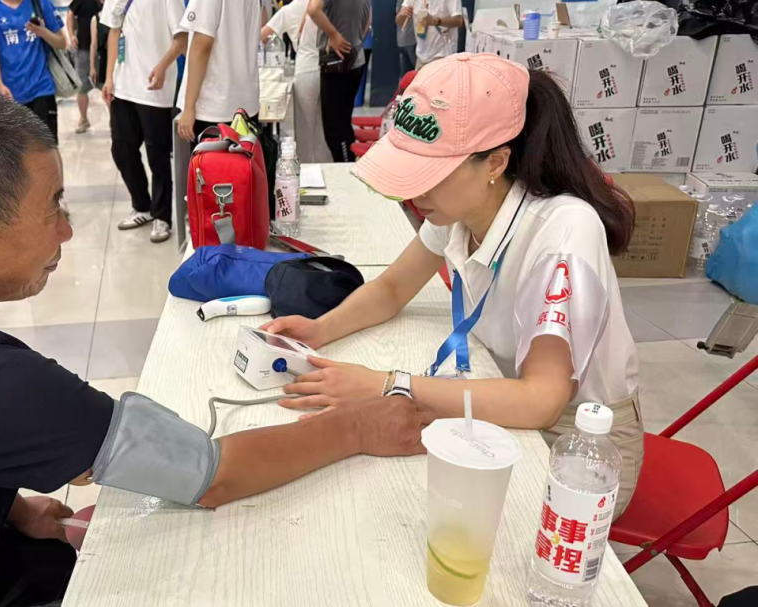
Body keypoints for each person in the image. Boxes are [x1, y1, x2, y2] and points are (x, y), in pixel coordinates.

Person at [0, 84, 434, 607]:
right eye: (52, 208)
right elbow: (210, 473)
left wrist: (9, 507)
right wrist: (357, 426)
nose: (67, 231)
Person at [262, 54, 644, 518]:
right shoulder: (460, 208)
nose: (414, 193)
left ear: (495, 162)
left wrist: (388, 385)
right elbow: (391, 290)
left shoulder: (563, 231)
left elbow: (541, 402)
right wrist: (319, 330)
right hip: (506, 398)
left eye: (430, 175)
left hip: (580, 442)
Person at [101, 0, 185, 243]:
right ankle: (142, 207)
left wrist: (163, 66)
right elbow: (114, 33)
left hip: (154, 87)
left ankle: (162, 216)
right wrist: (109, 78)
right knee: (121, 149)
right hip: (122, 86)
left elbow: (182, 38)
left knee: (158, 156)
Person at [0, 0, 69, 142]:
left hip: (42, 86)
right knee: (21, 149)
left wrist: (43, 32)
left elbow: (62, 42)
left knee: (48, 146)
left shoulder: (40, 3)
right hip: (11, 93)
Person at [175, 0, 261, 142]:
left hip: (214, 107)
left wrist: (189, 106)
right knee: (244, 155)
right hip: (245, 105)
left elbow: (202, 45)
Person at [260, 0, 328, 163]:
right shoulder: (324, 4)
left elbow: (262, 35)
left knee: (305, 129)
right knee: (324, 130)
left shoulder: (289, 10)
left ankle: (306, 169)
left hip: (305, 69)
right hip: (328, 69)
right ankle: (326, 167)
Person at [307, 0, 371, 162]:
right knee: (343, 125)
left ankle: (346, 169)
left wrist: (334, 35)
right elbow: (368, 20)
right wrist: (355, 41)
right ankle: (348, 166)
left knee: (335, 131)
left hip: (337, 64)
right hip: (354, 60)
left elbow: (313, 9)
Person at [67, 0, 102, 133]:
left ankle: (114, 121)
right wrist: (71, 35)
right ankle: (83, 118)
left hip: (104, 50)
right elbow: (70, 14)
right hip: (83, 49)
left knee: (107, 86)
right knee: (81, 86)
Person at [397, 0, 463, 69]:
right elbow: (399, 22)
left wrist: (436, 21)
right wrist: (402, 15)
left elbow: (458, 21)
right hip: (421, 56)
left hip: (443, 57)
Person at [395, 0, 417, 82]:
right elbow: (398, 19)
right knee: (412, 76)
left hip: (406, 40)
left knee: (406, 76)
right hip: (411, 40)